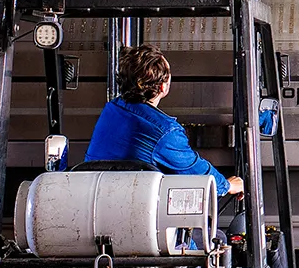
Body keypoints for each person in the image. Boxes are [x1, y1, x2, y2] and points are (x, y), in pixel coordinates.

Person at [85, 45, 243, 199]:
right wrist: (227, 186)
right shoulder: (165, 132)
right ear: (163, 87)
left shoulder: (111, 109)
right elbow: (196, 172)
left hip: (97, 203)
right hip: (136, 213)